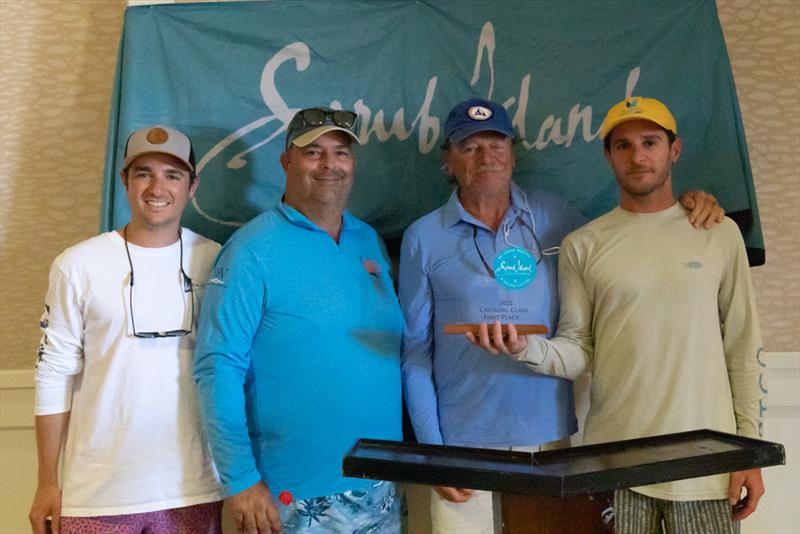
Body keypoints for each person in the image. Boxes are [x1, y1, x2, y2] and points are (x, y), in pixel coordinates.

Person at [398, 98, 725, 534]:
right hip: (462, 443)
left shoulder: (556, 217)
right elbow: (415, 352)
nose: (486, 157)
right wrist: (434, 454)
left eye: (497, 144)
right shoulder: (423, 236)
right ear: (448, 159)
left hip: (549, 438)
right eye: (469, 146)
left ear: (514, 153)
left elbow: (630, 234)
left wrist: (688, 205)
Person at [474, 97, 765, 533]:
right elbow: (578, 348)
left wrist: (752, 454)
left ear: (675, 149)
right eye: (623, 145)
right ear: (608, 156)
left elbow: (742, 346)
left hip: (708, 467)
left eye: (650, 142)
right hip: (614, 465)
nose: (638, 156)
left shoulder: (717, 233)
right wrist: (523, 348)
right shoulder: (583, 244)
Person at [194, 107, 405, 534]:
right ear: (286, 162)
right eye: (313, 152)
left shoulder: (369, 241)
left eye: (341, 152)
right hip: (293, 496)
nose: (330, 164)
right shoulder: (251, 251)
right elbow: (217, 367)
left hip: (380, 484)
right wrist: (240, 480)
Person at [29, 125, 223, 534]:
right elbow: (53, 371)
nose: (158, 187)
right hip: (96, 494)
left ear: (192, 186)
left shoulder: (217, 261)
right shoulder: (77, 265)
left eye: (173, 175)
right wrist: (47, 481)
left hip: (193, 489)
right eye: (143, 173)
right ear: (124, 181)